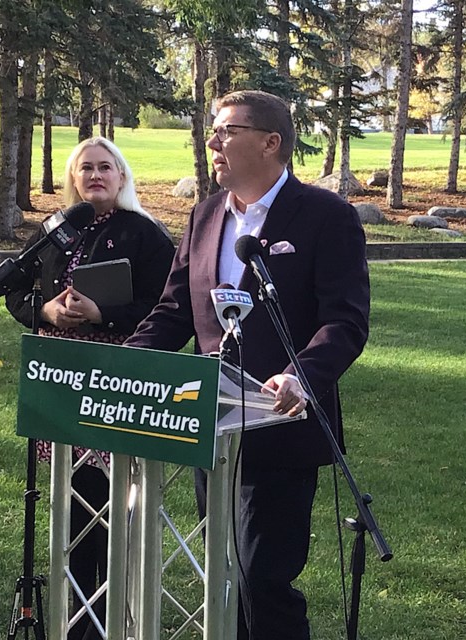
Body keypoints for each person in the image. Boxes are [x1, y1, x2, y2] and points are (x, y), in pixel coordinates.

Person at [124, 90, 370, 640]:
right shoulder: (206, 214)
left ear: (270, 142)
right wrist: (122, 364)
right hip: (206, 426)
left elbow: (346, 322)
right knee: (225, 577)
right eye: (214, 130)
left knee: (263, 580)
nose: (212, 141)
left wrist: (300, 375)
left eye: (227, 131)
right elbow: (173, 312)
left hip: (280, 426)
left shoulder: (326, 217)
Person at [5, 136, 176, 640]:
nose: (96, 176)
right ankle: (76, 619)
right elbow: (16, 288)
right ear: (73, 179)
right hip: (61, 379)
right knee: (71, 508)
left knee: (108, 513)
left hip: (114, 378)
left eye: (106, 167)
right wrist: (45, 310)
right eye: (86, 169)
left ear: (121, 177)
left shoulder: (145, 234)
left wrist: (104, 314)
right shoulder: (55, 231)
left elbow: (167, 308)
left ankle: (109, 619)